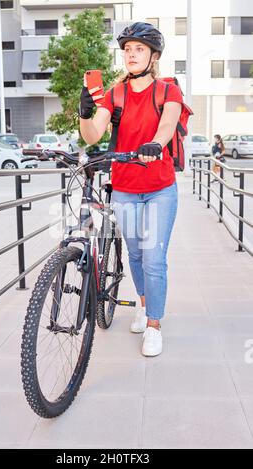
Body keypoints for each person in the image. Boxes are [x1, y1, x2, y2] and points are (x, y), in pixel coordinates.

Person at [79, 22, 185, 357]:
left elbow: (168, 123)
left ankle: (154, 325)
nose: (131, 54)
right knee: (136, 255)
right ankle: (142, 304)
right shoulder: (116, 93)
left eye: (139, 49)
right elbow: (93, 134)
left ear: (153, 56)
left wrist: (155, 143)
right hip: (124, 186)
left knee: (154, 258)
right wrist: (84, 113)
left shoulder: (168, 90)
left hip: (159, 187)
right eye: (127, 49)